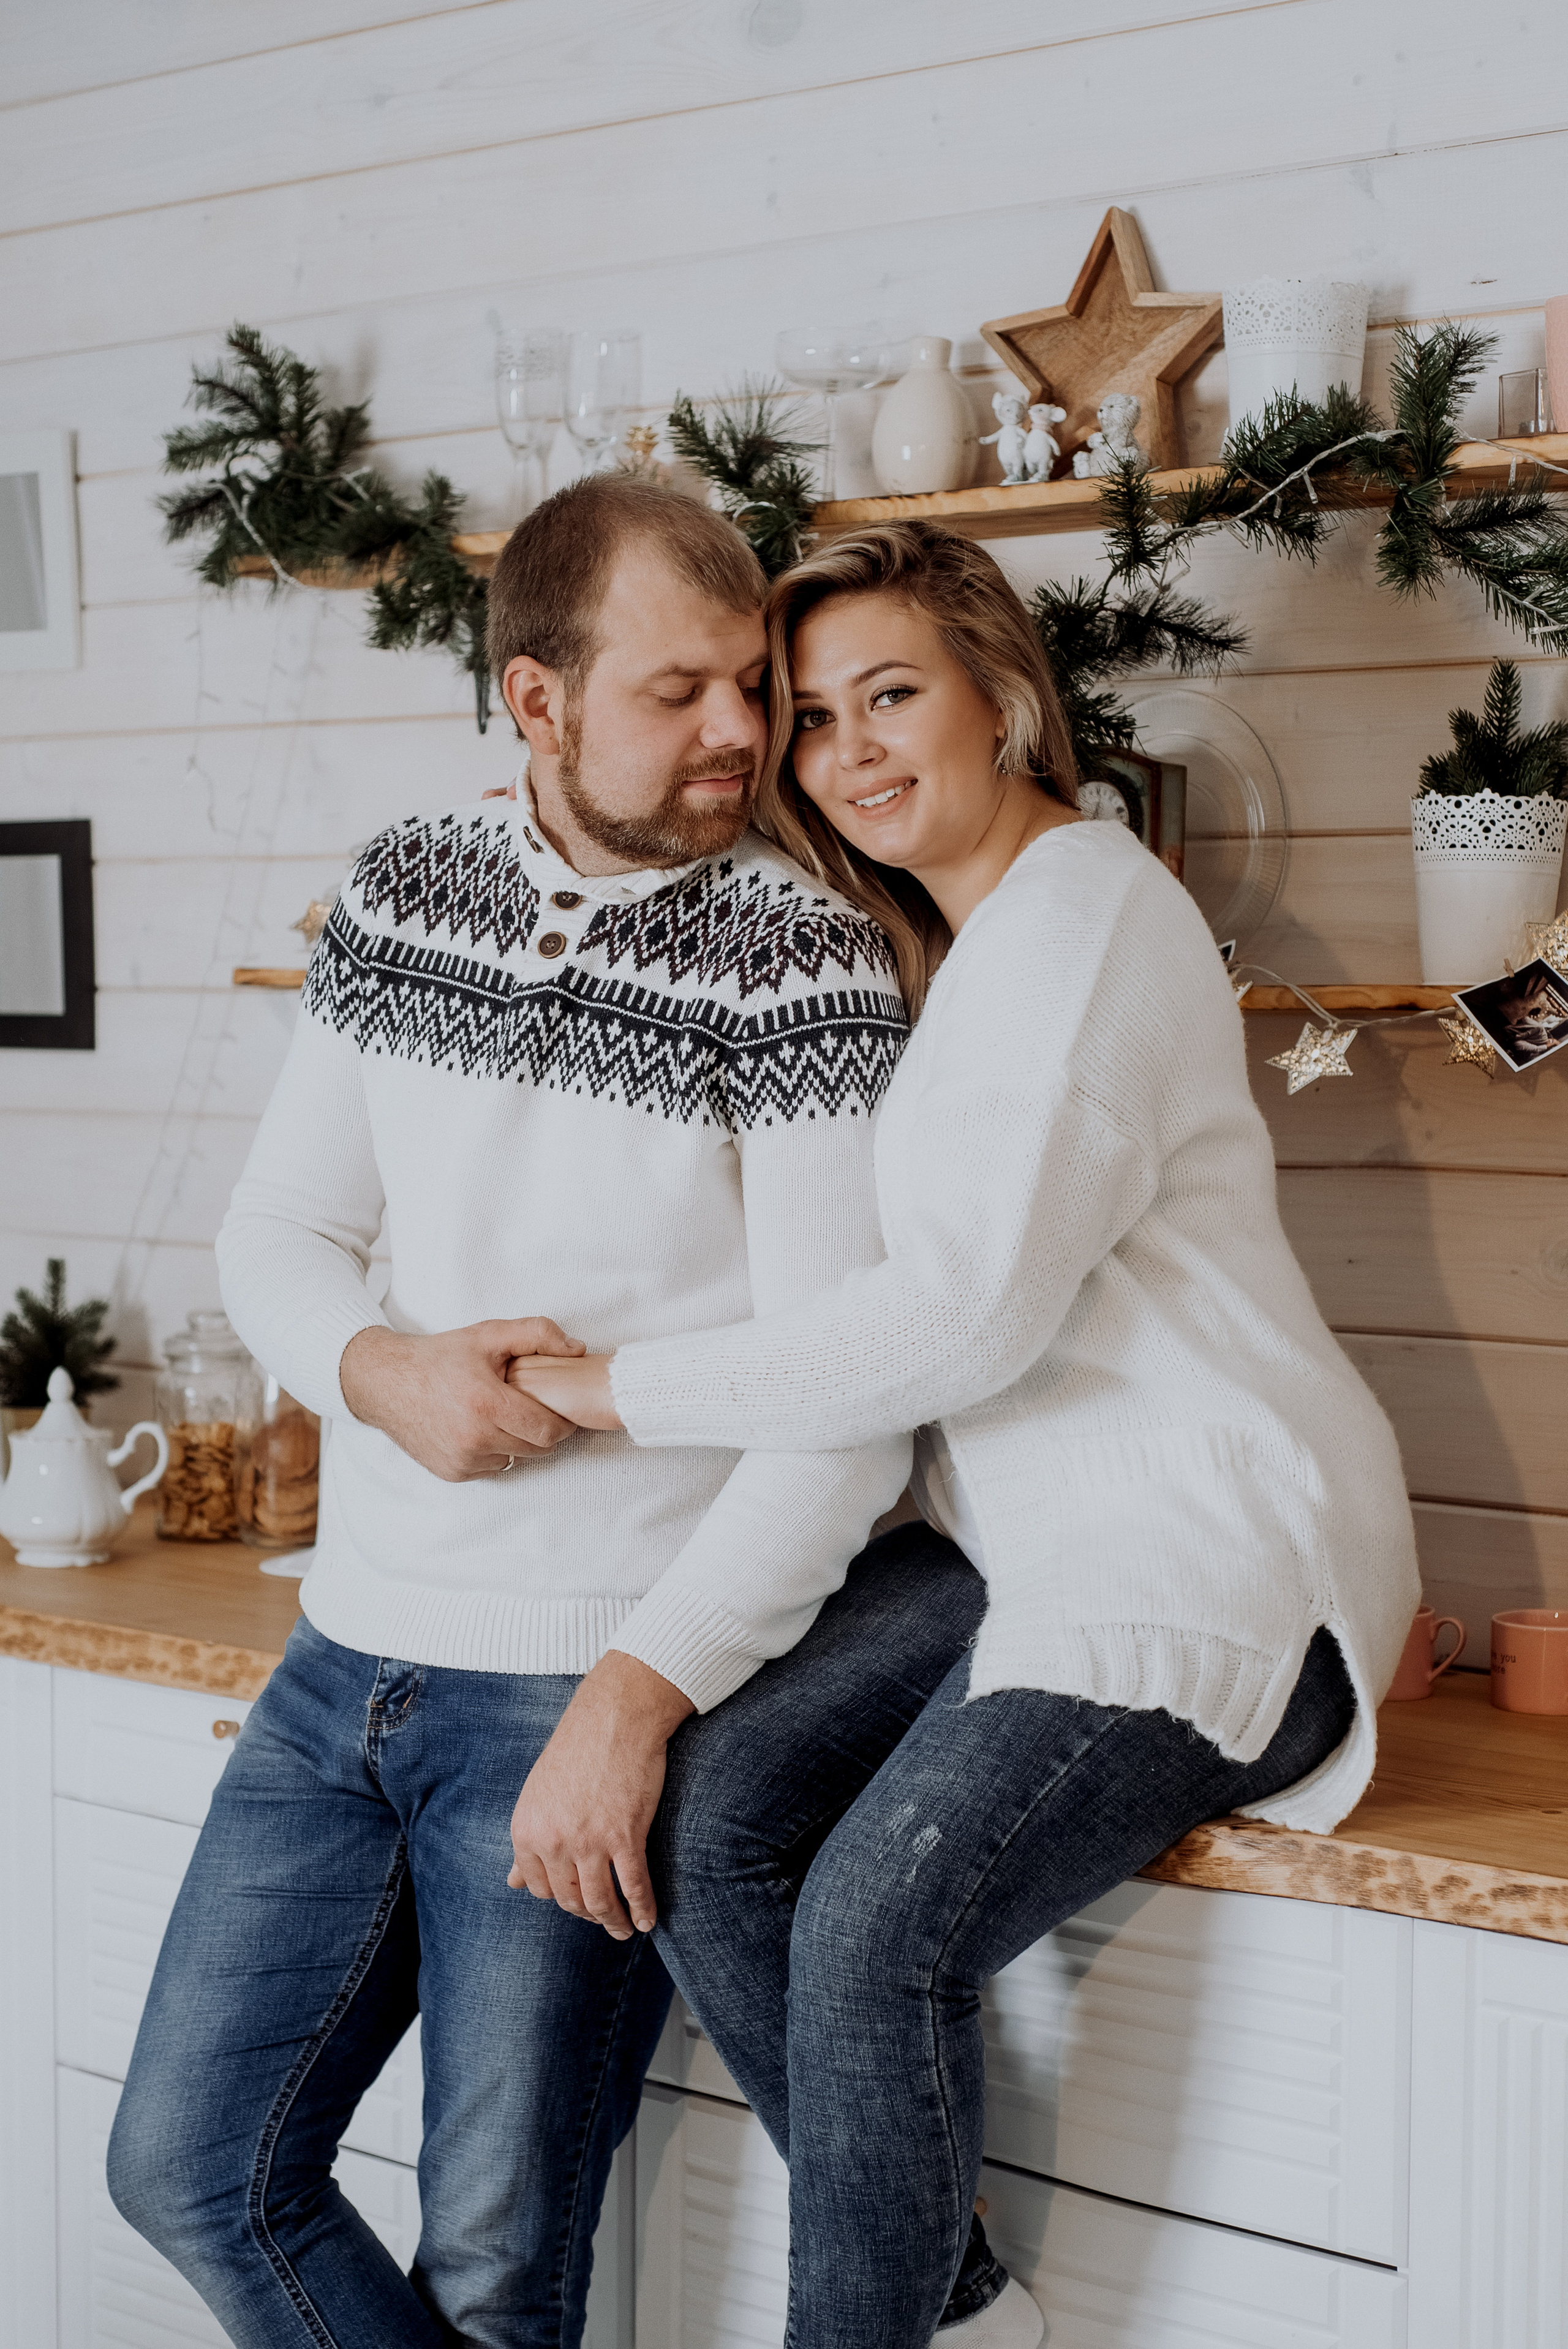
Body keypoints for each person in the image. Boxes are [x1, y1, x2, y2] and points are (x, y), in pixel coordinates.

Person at [503, 521, 1422, 2349]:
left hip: (1202, 1554)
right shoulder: (965, 944)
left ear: (1005, 694)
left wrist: (615, 1386)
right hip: (1028, 1545)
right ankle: (968, 2310)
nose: (848, 749)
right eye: (816, 716)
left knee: (867, 1930)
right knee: (718, 1816)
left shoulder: (1080, 910)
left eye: (893, 693)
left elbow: (960, 1318)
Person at [105, 478, 941, 2349]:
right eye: (679, 692)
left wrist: (636, 1700)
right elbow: (283, 1228)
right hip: (342, 1667)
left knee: (497, 2275)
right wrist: (380, 1369)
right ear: (537, 699)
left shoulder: (801, 958)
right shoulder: (409, 882)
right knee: (188, 2169)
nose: (742, 732)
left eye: (751, 682)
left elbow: (848, 1410)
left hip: (577, 1696)